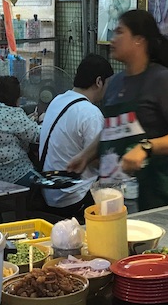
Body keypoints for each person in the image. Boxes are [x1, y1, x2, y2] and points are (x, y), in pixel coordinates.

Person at [72, 9, 168, 210]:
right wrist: (85, 156)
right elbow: (111, 130)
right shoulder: (114, 83)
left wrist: (145, 148)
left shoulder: (163, 81)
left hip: (157, 194)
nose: (113, 39)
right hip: (114, 196)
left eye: (120, 32)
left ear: (139, 40)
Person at [37, 55, 114, 220]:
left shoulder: (57, 100)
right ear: (99, 81)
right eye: (108, 84)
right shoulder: (90, 113)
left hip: (48, 194)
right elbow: (97, 160)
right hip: (74, 198)